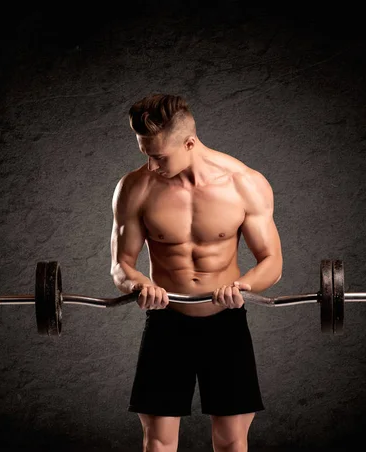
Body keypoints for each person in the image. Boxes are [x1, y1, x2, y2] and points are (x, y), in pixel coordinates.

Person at [110, 94, 283, 452]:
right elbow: (121, 265)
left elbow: (272, 261)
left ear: (189, 142)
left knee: (232, 442)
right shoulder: (134, 187)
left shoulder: (243, 184)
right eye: (145, 153)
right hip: (166, 321)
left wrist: (244, 285)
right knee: (157, 442)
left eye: (159, 156)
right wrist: (140, 283)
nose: (151, 164)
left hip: (225, 323)